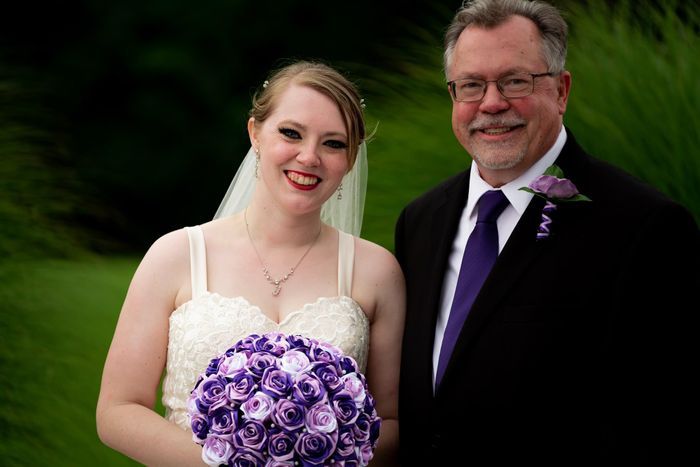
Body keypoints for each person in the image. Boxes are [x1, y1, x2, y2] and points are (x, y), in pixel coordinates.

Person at [395, 0, 698, 464]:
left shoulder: (644, 227)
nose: (492, 103)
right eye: (471, 85)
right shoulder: (419, 221)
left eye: (516, 81)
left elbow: (657, 423)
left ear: (561, 90)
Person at [96, 60, 405, 466]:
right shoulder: (176, 255)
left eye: (334, 143)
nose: (309, 157)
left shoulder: (377, 271)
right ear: (255, 133)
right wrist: (225, 462)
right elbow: (118, 410)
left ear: (350, 160)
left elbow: (392, 421)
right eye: (291, 133)